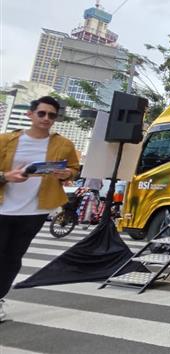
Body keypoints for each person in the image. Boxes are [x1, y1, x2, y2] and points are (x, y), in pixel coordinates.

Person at [0, 96, 80, 321]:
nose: (46, 118)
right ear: (30, 114)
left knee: (13, 257)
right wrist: (5, 176)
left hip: (35, 211)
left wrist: (67, 173)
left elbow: (74, 168)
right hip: (3, 208)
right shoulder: (6, 140)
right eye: (42, 113)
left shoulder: (63, 144)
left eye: (52, 115)